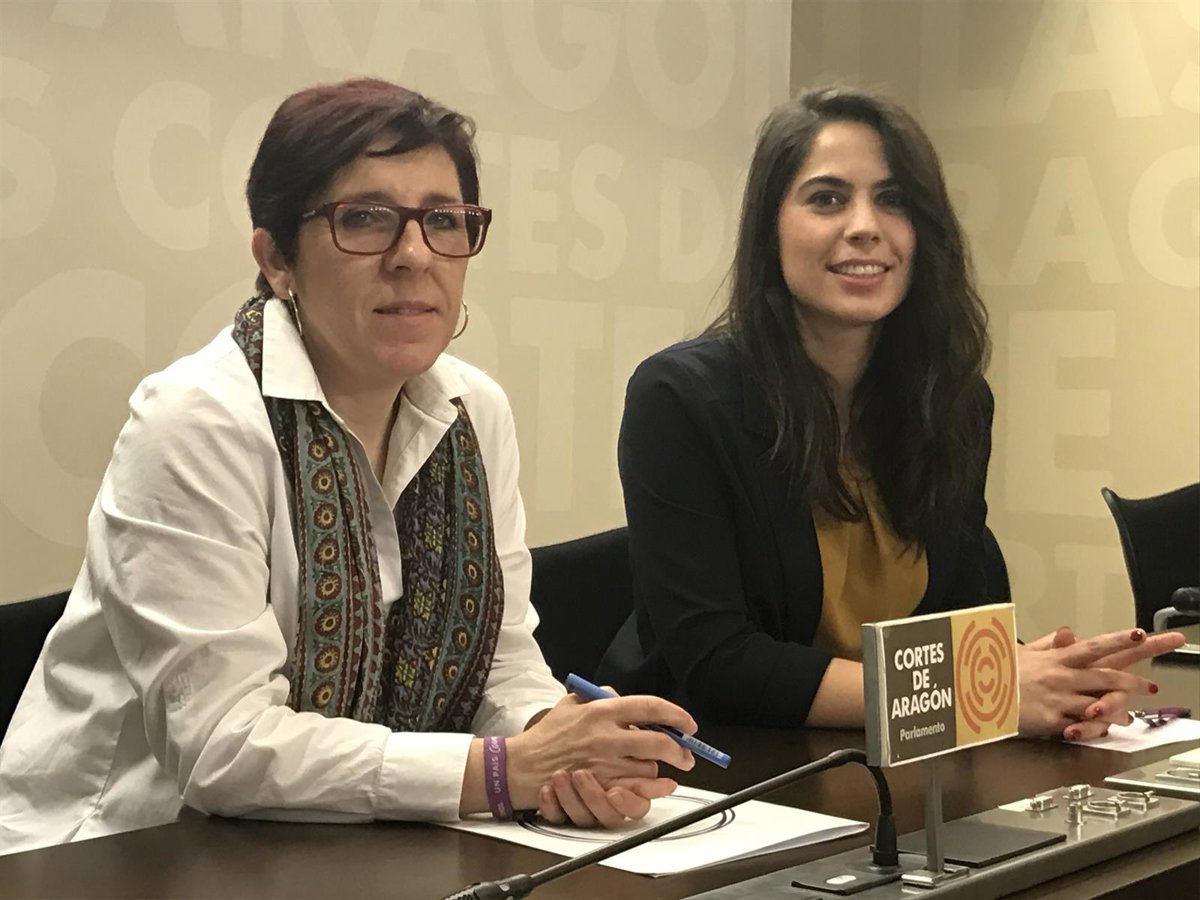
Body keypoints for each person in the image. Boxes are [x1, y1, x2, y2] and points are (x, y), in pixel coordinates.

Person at [0, 79, 696, 856]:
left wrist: (561, 743)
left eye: (444, 220)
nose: (414, 256)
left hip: (348, 847)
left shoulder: (475, 411)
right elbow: (223, 747)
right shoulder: (196, 420)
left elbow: (501, 662)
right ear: (276, 258)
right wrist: (504, 771)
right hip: (117, 851)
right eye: (364, 218)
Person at [596, 86, 1183, 741]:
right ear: (770, 227)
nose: (865, 225)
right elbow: (719, 664)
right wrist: (974, 694)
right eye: (827, 198)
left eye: (894, 199)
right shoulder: (679, 399)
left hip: (896, 759)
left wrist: (1053, 683)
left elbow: (964, 618)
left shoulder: (952, 400)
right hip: (714, 767)